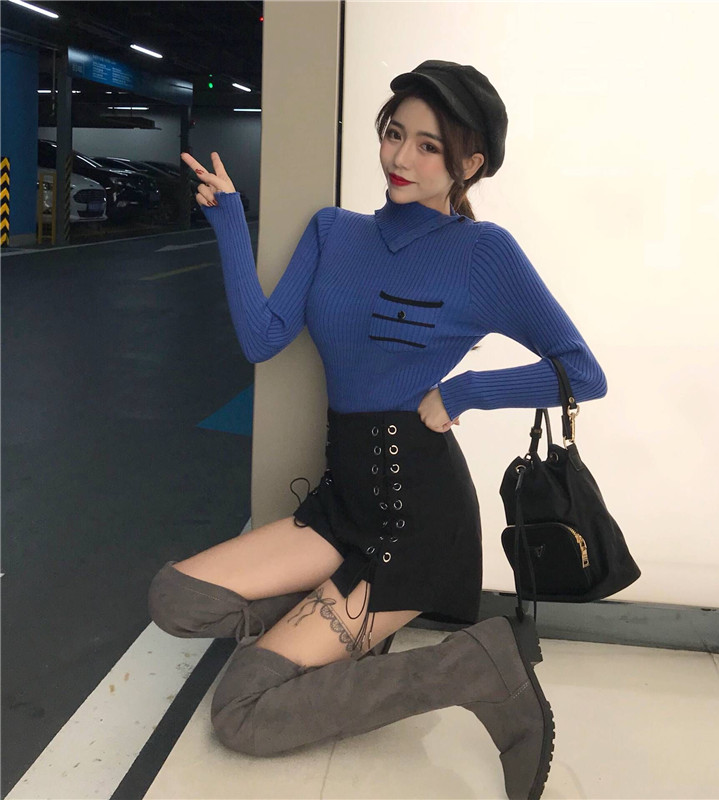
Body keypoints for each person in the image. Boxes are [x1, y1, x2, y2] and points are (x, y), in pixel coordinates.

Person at [148, 60, 607, 800]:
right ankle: (341, 629)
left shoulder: (483, 254)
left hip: (412, 521)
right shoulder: (334, 231)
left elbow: (581, 371)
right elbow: (264, 338)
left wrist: (463, 391)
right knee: (175, 598)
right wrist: (229, 220)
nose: (401, 157)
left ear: (470, 163)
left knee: (240, 710)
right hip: (341, 506)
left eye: (429, 145)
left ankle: (475, 667)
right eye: (394, 134)